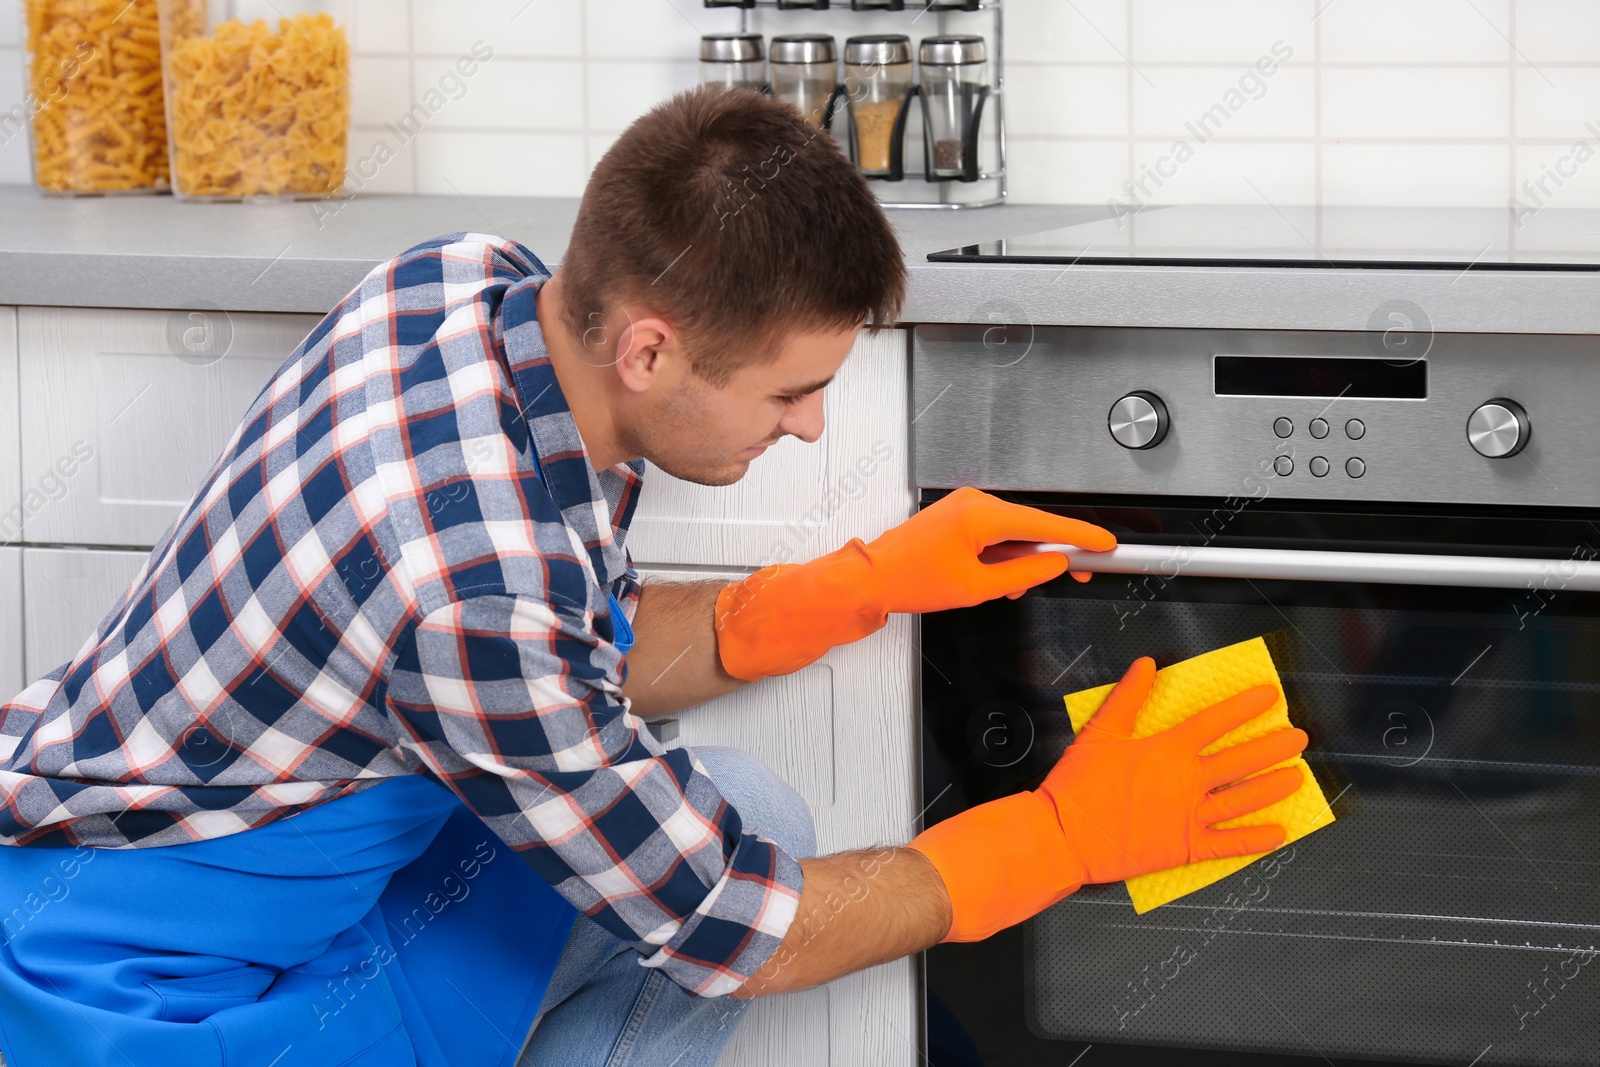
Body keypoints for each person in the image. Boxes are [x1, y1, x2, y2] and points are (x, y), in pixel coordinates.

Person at [0, 87, 1307, 1066]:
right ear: (647, 351)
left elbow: (556, 654)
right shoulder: (474, 594)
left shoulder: (457, 288)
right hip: (142, 997)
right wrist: (1058, 837)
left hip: (172, 842)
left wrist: (853, 586)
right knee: (733, 870)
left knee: (742, 800)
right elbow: (739, 931)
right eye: (791, 392)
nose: (805, 427)